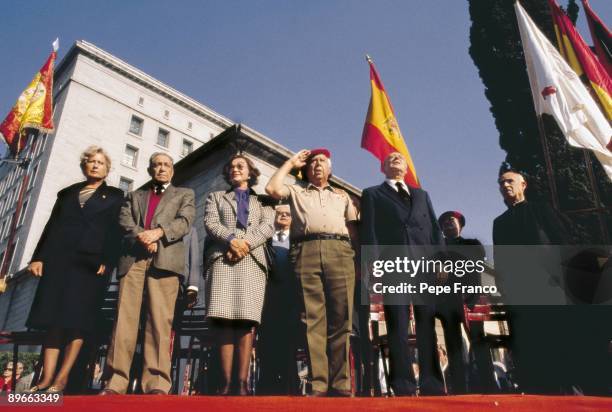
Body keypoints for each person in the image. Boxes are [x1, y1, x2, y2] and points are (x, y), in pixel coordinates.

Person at [25, 146, 123, 393]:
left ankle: (62, 379)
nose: (95, 165)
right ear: (84, 166)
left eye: (100, 162)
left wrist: (108, 260)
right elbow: (51, 228)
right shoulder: (67, 194)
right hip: (59, 262)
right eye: (90, 161)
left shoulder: (115, 196)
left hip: (90, 266)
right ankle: (46, 380)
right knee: (53, 321)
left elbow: (116, 232)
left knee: (77, 322)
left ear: (107, 168)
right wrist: (38, 258)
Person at [266, 148, 358, 397]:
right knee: (311, 318)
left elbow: (353, 230)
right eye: (313, 162)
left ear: (329, 169)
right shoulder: (296, 191)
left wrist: (358, 262)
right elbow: (272, 189)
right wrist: (291, 162)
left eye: (322, 162)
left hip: (340, 250)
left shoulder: (343, 196)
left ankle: (340, 383)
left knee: (342, 318)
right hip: (305, 250)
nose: (317, 165)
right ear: (306, 169)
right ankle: (318, 382)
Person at [101, 152, 195, 395]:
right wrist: (144, 237)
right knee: (124, 321)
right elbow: (124, 222)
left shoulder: (185, 193)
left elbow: (185, 222)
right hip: (133, 261)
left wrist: (158, 233)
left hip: (165, 263)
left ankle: (156, 383)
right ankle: (115, 382)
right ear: (150, 169)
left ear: (172, 170)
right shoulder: (134, 196)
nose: (162, 168)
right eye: (157, 165)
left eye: (166, 165)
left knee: (159, 323)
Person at [360, 151, 445, 396]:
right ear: (382, 168)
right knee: (397, 324)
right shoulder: (373, 194)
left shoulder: (422, 195)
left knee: (426, 323)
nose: (395, 158)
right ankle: (403, 385)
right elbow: (371, 231)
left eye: (400, 157)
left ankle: (432, 383)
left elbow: (435, 230)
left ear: (407, 167)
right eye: (390, 158)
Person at [492, 169, 571, 394]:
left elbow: (562, 242)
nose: (505, 185)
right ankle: (535, 391)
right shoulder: (499, 222)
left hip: (548, 285)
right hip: (518, 292)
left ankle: (564, 390)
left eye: (510, 181)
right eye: (501, 183)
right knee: (526, 342)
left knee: (555, 339)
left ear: (523, 184)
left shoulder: (542, 210)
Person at [204, 154, 274, 395]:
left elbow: (267, 226)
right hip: (223, 259)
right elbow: (212, 224)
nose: (235, 169)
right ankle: (225, 383)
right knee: (224, 320)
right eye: (231, 166)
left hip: (252, 260)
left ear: (250, 173)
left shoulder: (263, 201)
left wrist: (244, 244)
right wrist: (232, 241)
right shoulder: (216, 197)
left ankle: (242, 383)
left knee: (246, 322)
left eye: (240, 166)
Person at [438, 210, 496, 393]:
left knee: (479, 342)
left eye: (452, 220)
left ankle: (489, 386)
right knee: (454, 344)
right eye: (444, 222)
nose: (448, 223)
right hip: (448, 300)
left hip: (474, 298)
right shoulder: (437, 248)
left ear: (460, 225)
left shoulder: (473, 244)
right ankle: (459, 388)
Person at [258, 204, 300, 394]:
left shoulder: (299, 239)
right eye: (279, 213)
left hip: (292, 297)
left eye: (287, 214)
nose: (283, 216)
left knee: (289, 341)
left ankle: (290, 385)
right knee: (268, 341)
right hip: (269, 296)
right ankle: (267, 384)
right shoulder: (265, 239)